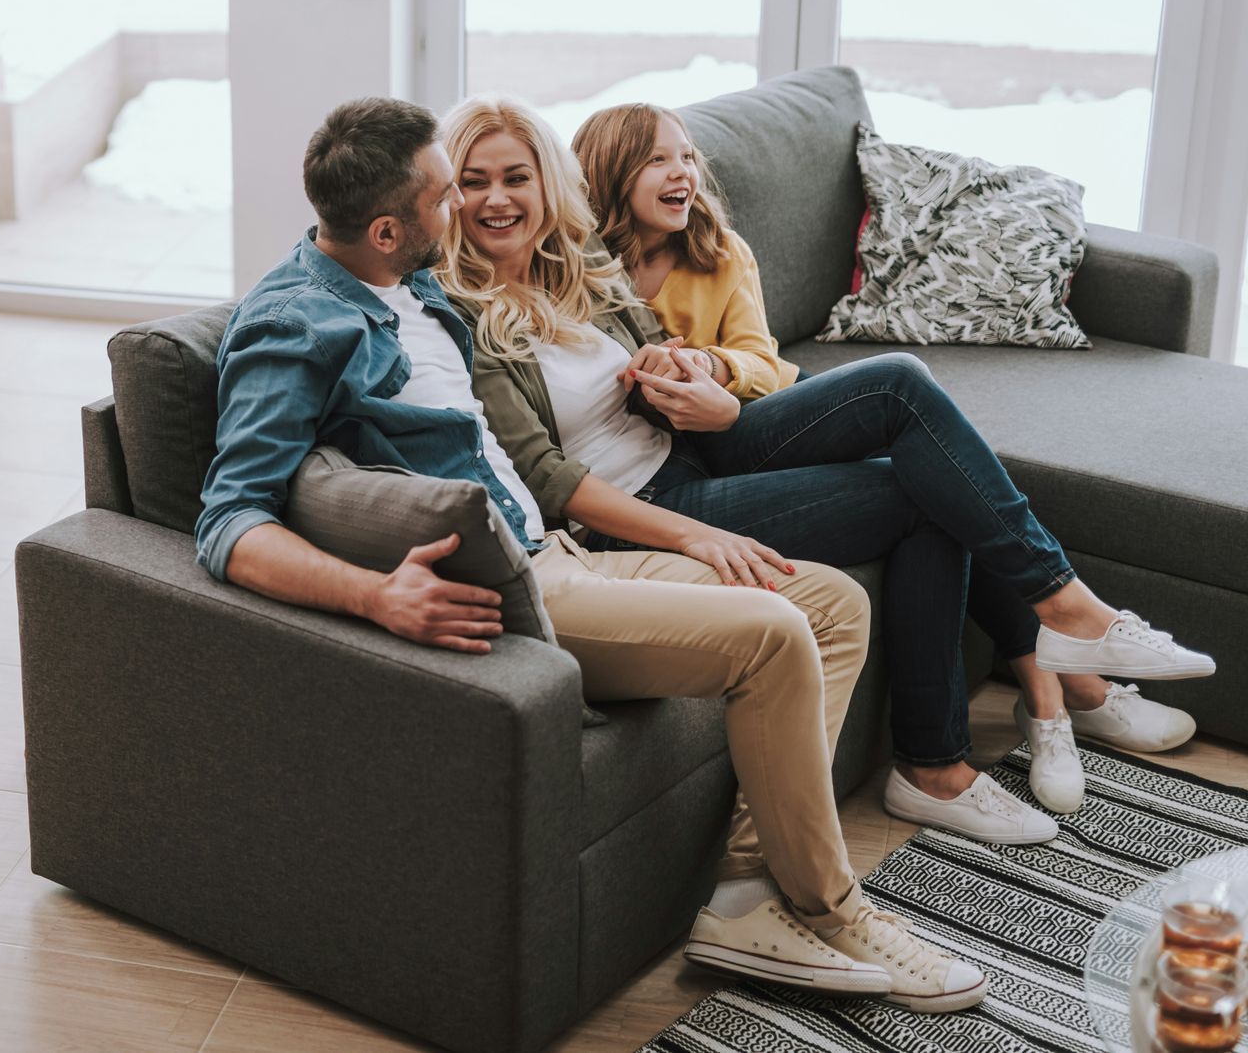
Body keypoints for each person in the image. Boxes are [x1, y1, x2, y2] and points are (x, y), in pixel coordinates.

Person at [195, 95, 989, 1012]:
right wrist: (374, 598)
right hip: (512, 586)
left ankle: (742, 897)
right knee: (773, 633)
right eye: (448, 196)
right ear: (386, 227)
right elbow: (229, 521)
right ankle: (835, 906)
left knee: (832, 605)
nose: (463, 213)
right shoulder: (293, 324)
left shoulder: (404, 283)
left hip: (561, 548)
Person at [438, 92, 1210, 841]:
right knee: (919, 491)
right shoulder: (460, 314)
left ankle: (1060, 627)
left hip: (695, 439)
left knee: (899, 386)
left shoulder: (573, 266)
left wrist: (684, 373)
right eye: (474, 182)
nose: (497, 199)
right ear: (447, 194)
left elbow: (661, 349)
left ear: (546, 183)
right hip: (638, 507)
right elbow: (545, 479)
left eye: (515, 177)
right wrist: (691, 535)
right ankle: (979, 720)